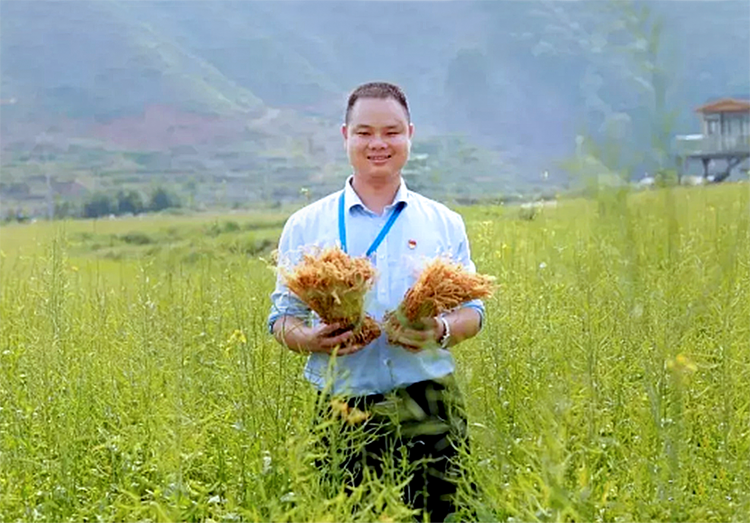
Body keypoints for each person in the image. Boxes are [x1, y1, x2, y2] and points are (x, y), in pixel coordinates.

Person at [268, 81, 485, 522]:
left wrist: (440, 330)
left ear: (410, 134)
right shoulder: (306, 225)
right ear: (346, 136)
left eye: (391, 131)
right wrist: (311, 339)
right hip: (342, 405)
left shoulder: (443, 222)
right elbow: (281, 319)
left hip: (430, 403)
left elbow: (474, 312)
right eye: (365, 132)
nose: (378, 143)